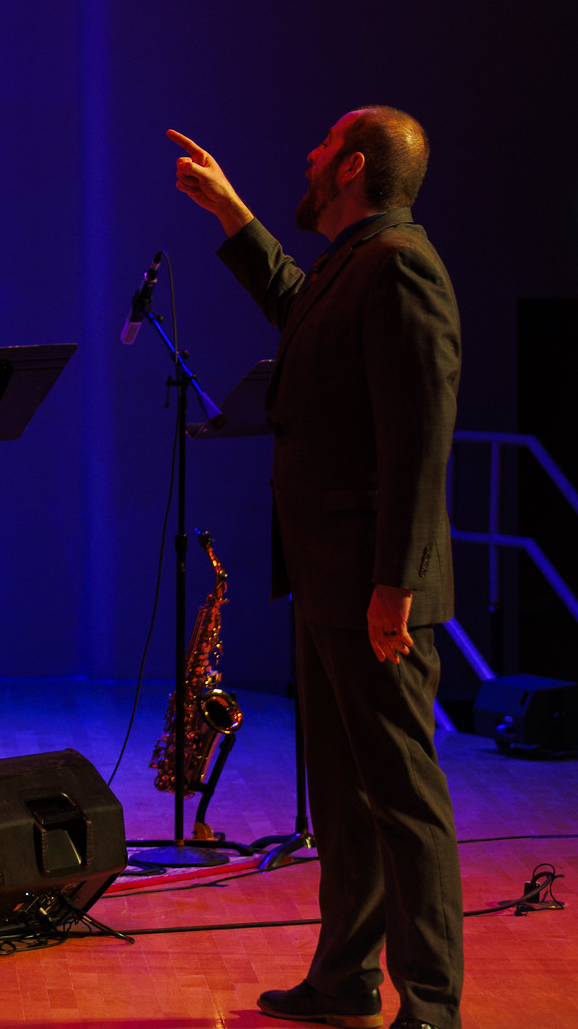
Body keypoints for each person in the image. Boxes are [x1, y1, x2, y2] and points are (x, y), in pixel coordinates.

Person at [171, 110, 461, 1029]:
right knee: (341, 796)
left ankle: (431, 1002)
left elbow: (420, 439)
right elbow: (299, 304)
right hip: (331, 573)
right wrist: (231, 212)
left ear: (354, 165)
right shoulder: (355, 261)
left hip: (375, 582)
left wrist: (396, 583)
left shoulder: (402, 264)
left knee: (401, 797)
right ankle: (343, 978)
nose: (308, 151)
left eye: (324, 144)